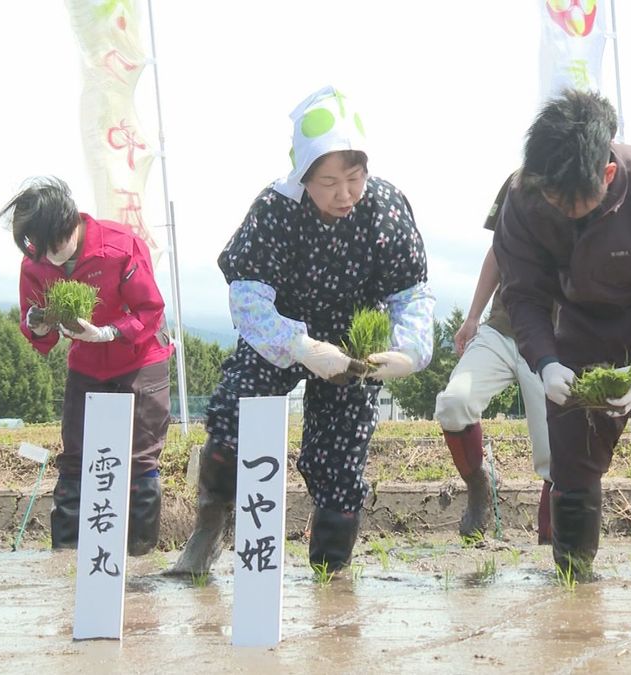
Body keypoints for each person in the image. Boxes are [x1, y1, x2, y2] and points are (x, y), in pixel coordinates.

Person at [167, 86, 434, 577]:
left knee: (340, 458)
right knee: (231, 416)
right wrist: (302, 347)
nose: (344, 194)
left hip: (355, 347)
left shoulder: (385, 209)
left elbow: (411, 293)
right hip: (280, 334)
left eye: (353, 178)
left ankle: (331, 572)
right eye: (328, 181)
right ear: (303, 176)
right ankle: (209, 531)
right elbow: (247, 298)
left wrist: (410, 350)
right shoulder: (276, 210)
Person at [494, 90, 631, 578]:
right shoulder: (524, 198)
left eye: (572, 202)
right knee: (571, 463)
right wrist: (546, 361)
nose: (560, 210)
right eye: (551, 199)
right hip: (581, 330)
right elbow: (523, 293)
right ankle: (573, 584)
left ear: (608, 174)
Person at [1, 177, 173, 557]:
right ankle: (67, 558)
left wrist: (110, 332)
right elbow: (40, 335)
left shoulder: (119, 246)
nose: (50, 257)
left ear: (69, 223)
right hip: (87, 366)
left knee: (138, 461)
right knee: (76, 460)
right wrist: (37, 324)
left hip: (140, 360)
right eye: (39, 250)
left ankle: (138, 561)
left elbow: (150, 310)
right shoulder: (36, 264)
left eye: (55, 246)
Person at [435, 173, 553, 544]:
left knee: (555, 454)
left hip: (555, 345)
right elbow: (498, 250)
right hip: (503, 329)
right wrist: (472, 317)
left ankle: (554, 540)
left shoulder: (595, 188)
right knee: (454, 403)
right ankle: (478, 484)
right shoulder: (520, 181)